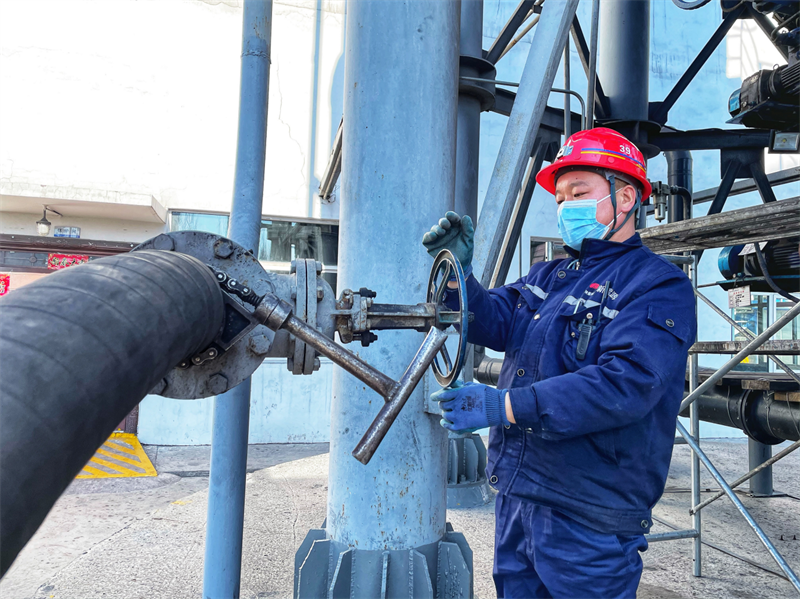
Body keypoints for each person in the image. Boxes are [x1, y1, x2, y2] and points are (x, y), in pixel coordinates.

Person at [422, 128, 696, 599]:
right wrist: (458, 278)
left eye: (580, 192)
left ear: (625, 197)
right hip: (519, 498)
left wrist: (505, 407)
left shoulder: (656, 284)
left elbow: (626, 384)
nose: (567, 205)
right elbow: (492, 320)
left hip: (588, 514)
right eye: (561, 196)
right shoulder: (550, 275)